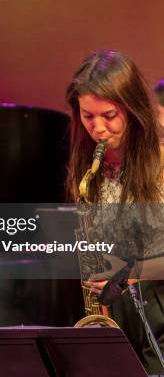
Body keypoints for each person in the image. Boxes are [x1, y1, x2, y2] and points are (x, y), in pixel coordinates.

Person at [66, 49, 164, 374]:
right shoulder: (89, 167)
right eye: (87, 116)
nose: (98, 128)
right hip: (119, 313)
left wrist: (127, 273)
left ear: (132, 108)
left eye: (109, 115)